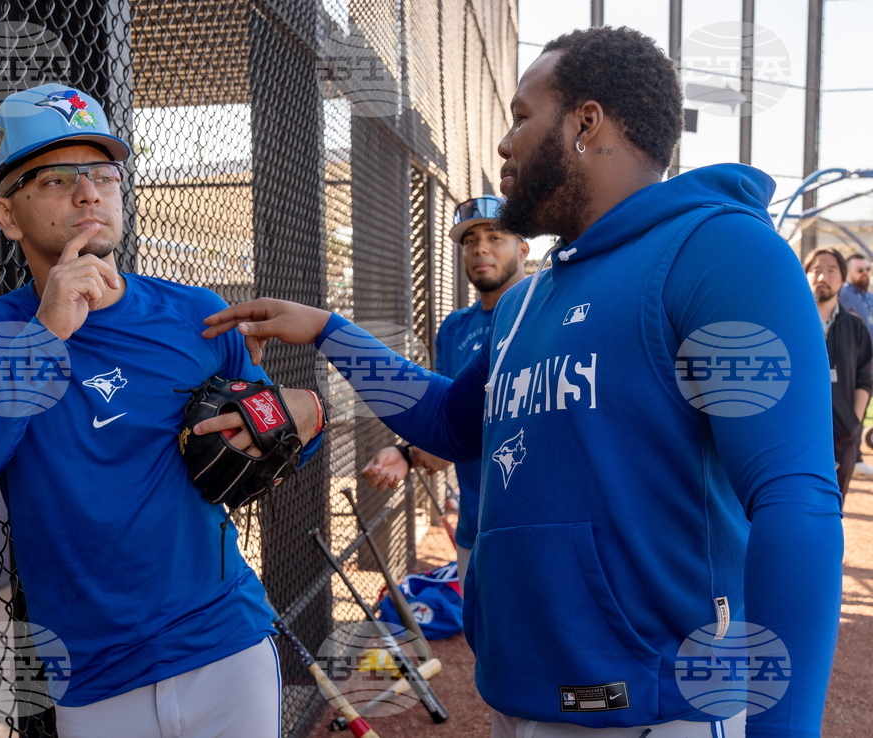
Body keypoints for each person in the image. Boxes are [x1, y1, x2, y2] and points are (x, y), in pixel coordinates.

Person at [201, 26, 843, 738]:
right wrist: (329, 331)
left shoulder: (720, 249)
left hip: (662, 708)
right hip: (526, 694)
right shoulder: (529, 300)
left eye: (520, 114)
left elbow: (796, 498)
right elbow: (449, 420)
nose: (504, 144)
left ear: (585, 122)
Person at [0, 84, 323, 738]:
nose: (87, 193)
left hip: (222, 639)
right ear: (6, 214)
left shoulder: (194, 312)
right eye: (54, 178)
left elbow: (281, 438)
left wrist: (306, 416)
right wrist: (45, 334)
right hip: (92, 672)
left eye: (103, 173)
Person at [361, 195, 528, 588]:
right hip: (475, 530)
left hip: (538, 529)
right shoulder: (454, 328)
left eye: (495, 236)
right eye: (470, 241)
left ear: (523, 248)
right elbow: (450, 426)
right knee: (484, 645)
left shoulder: (546, 310)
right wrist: (408, 454)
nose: (480, 248)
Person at [804, 248, 873, 496]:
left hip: (843, 435)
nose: (823, 277)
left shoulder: (855, 327)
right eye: (816, 270)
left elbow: (865, 377)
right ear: (805, 276)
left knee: (835, 504)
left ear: (843, 278)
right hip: (799, 434)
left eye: (831, 270)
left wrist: (854, 421)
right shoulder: (792, 322)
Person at [836, 252, 873, 477]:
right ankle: (853, 455)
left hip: (868, 360)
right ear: (848, 273)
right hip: (849, 360)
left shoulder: (867, 297)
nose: (865, 273)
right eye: (860, 270)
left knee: (863, 402)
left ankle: (855, 453)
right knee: (848, 406)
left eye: (868, 269)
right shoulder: (844, 294)